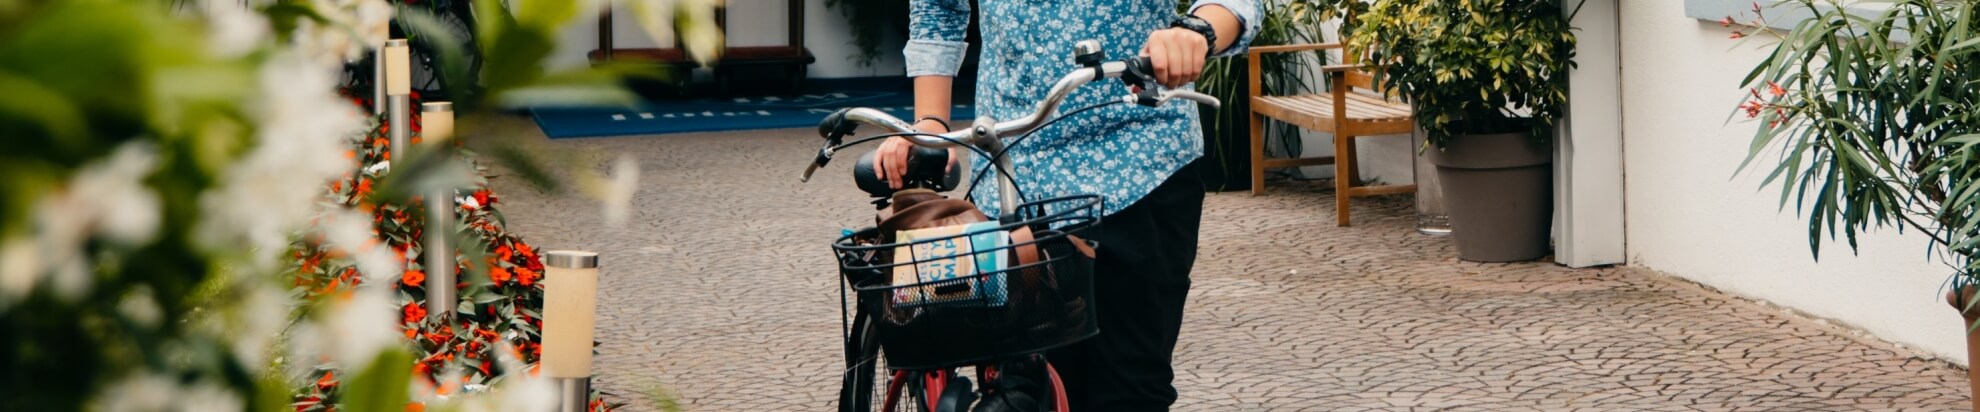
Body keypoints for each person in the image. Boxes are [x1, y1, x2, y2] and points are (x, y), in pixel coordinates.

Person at [874, 0, 1259, 409]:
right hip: (1013, 169)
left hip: (1138, 162)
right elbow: (938, 8)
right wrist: (930, 124)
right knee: (1021, 380)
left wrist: (1195, 31)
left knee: (1130, 384)